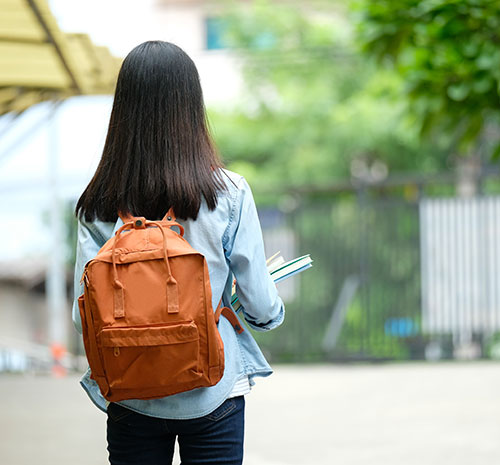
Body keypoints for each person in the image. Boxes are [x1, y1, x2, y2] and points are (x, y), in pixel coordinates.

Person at [72, 40, 285, 465]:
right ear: (191, 105)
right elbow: (259, 303)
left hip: (130, 392)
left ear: (123, 111)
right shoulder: (228, 192)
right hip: (213, 388)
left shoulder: (97, 203)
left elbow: (83, 316)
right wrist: (269, 315)